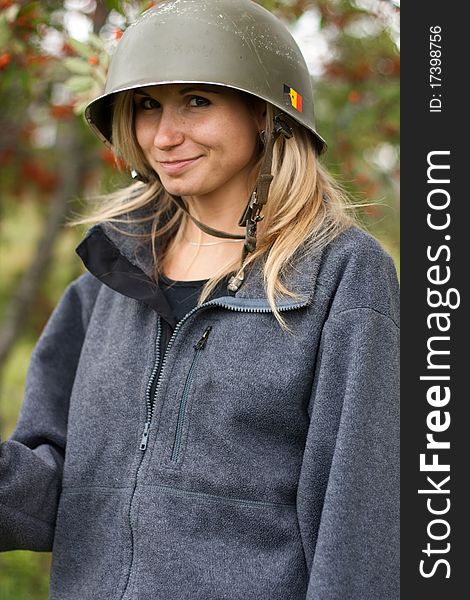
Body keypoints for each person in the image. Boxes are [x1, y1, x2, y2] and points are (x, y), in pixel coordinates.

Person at [0, 1, 399, 599]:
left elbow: (361, 524)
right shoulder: (102, 284)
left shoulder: (343, 274)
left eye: (197, 101)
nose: (165, 135)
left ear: (265, 115)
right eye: (147, 107)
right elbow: (54, 490)